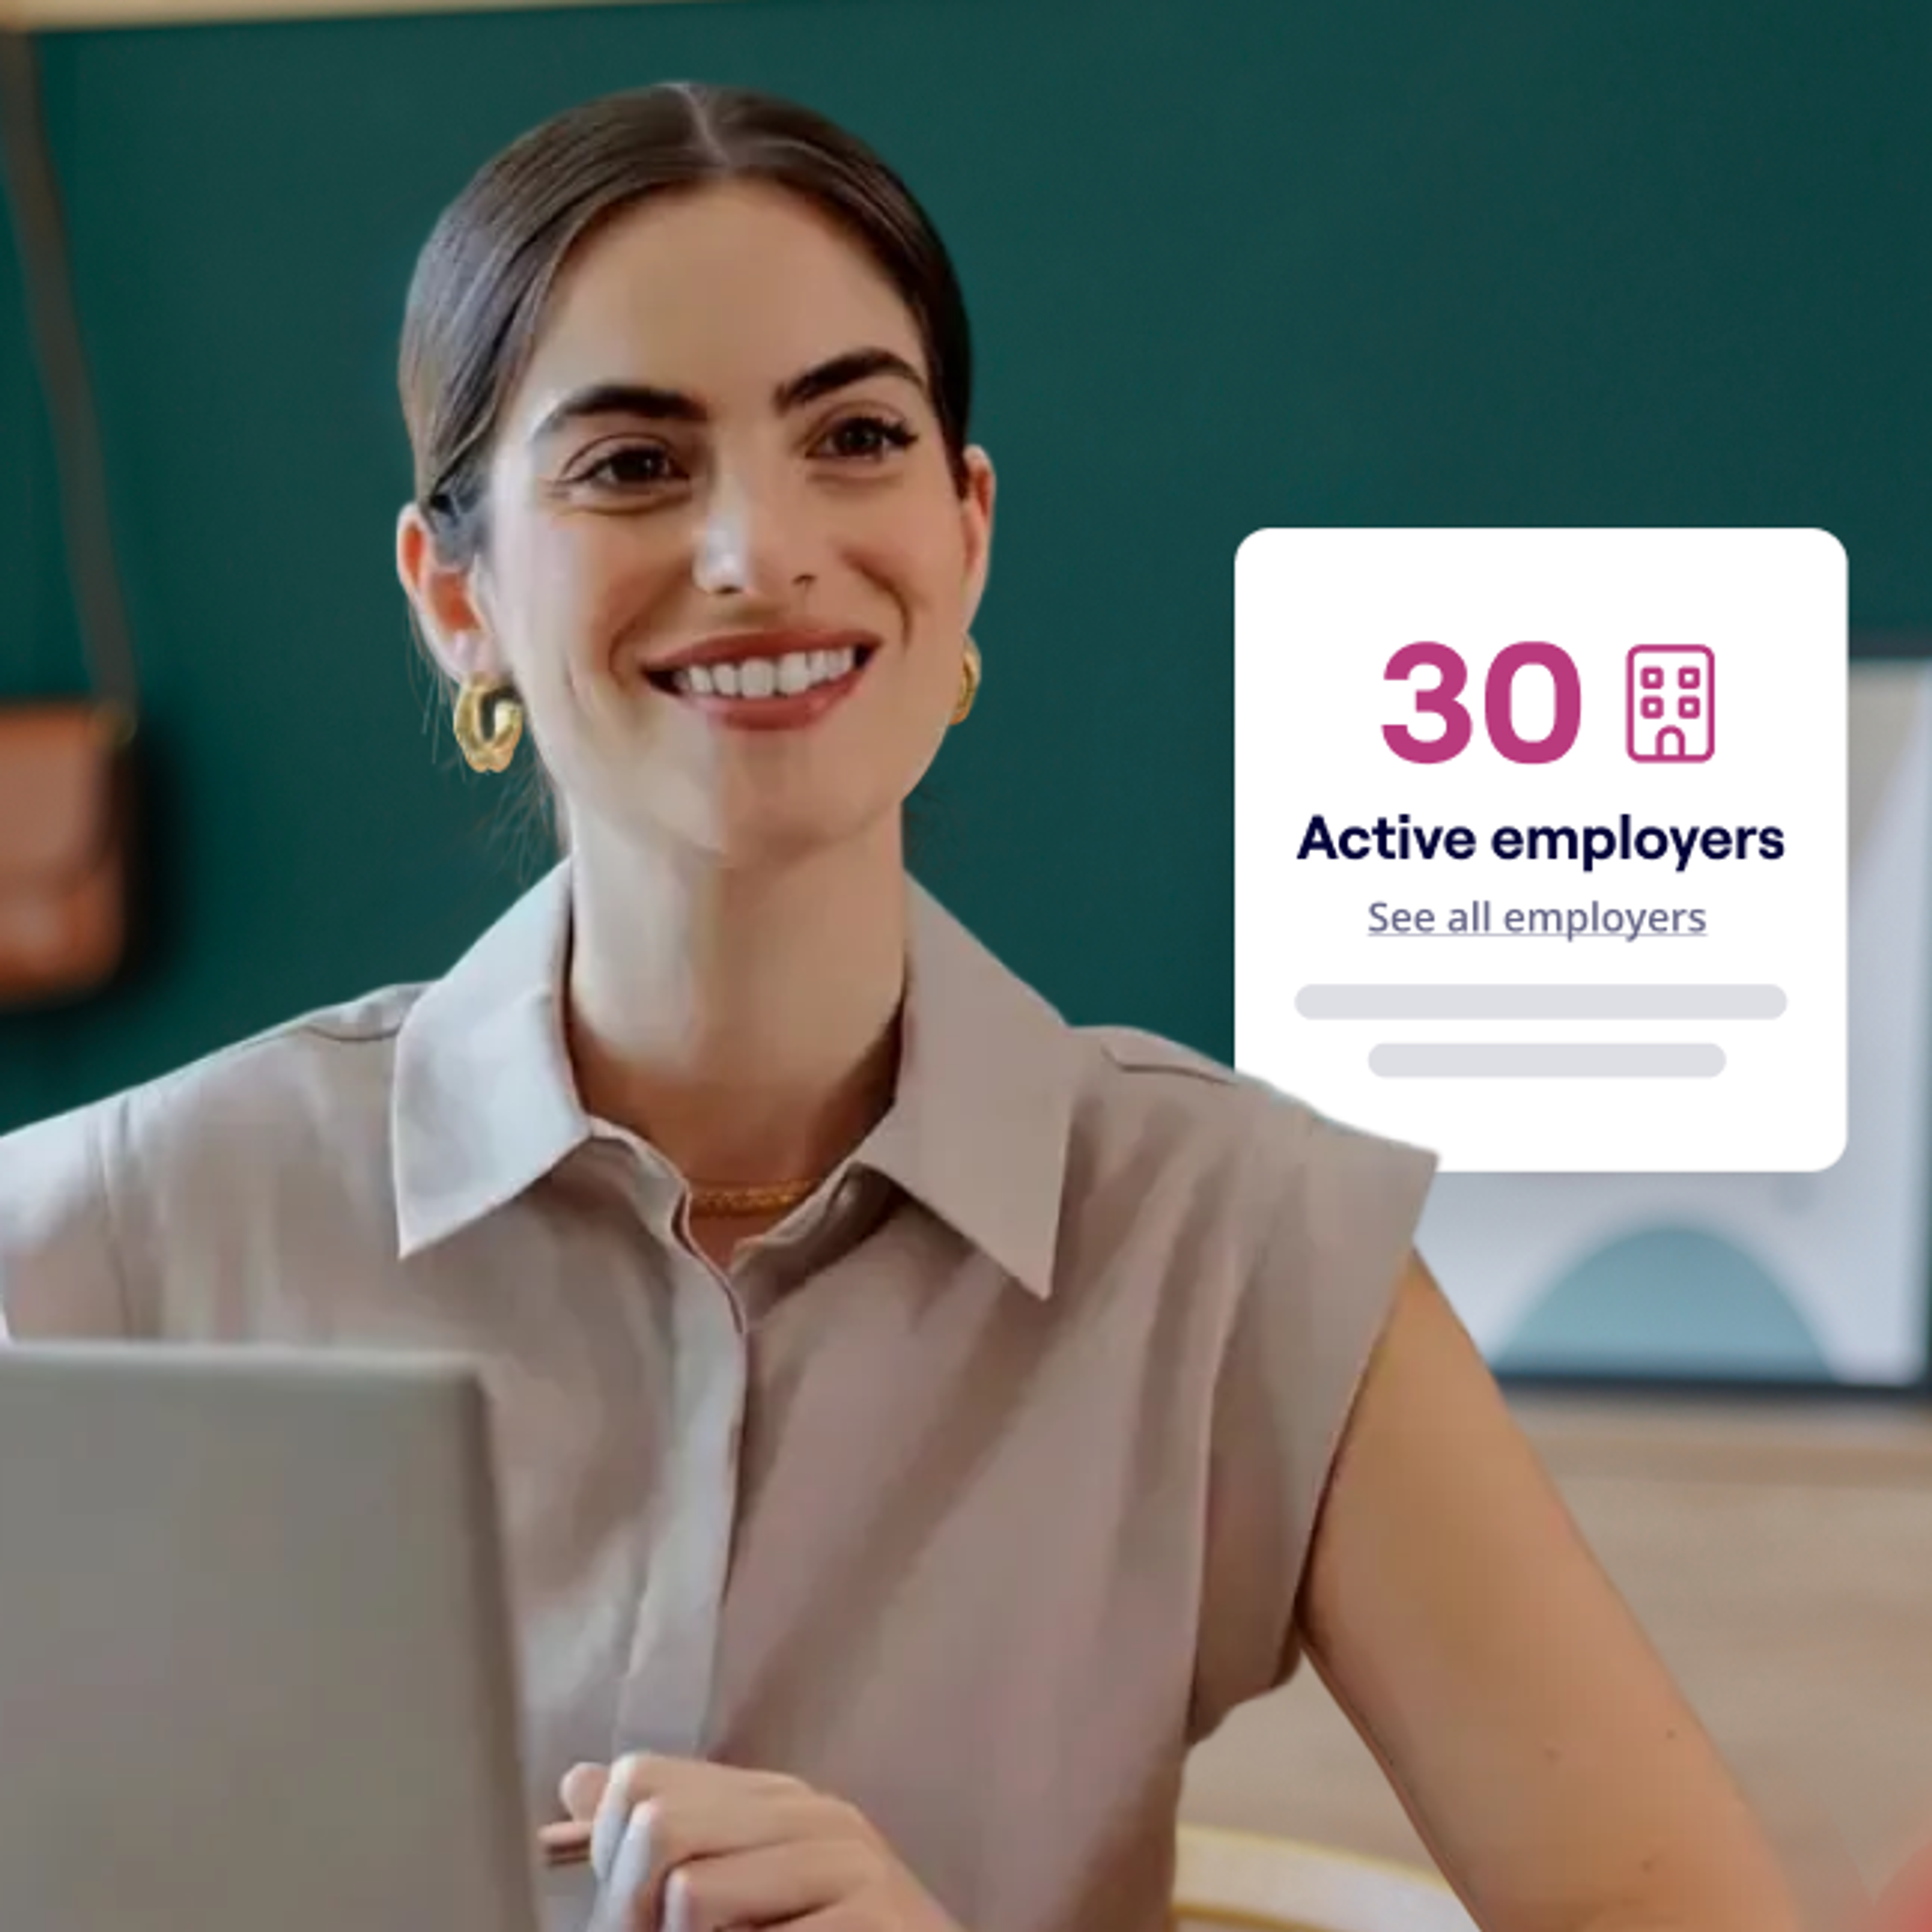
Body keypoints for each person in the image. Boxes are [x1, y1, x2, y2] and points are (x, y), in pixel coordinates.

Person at [0, 82, 1815, 1932]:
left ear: (966, 536)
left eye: (852, 437)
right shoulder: (118, 1232)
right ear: (453, 594)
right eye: (632, 464)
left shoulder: (1250, 1251)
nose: (756, 552)